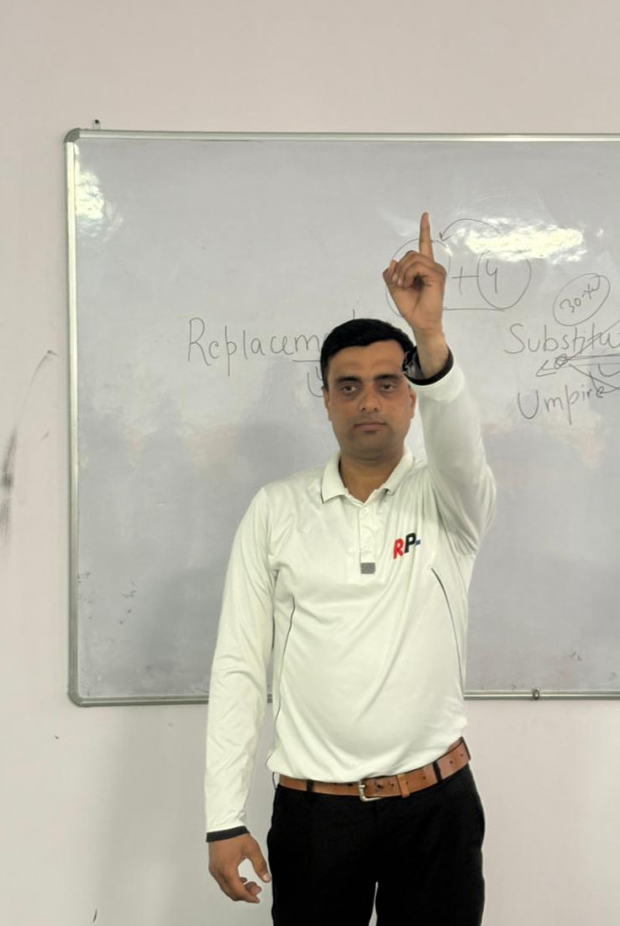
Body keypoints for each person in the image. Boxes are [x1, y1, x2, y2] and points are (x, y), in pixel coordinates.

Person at [205, 213, 496, 925]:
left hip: (436, 809)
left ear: (413, 396)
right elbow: (239, 663)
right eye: (349, 385)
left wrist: (430, 335)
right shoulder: (275, 509)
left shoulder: (450, 501)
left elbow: (460, 446)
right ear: (328, 399)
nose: (369, 400)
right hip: (315, 816)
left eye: (388, 383)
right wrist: (222, 817)